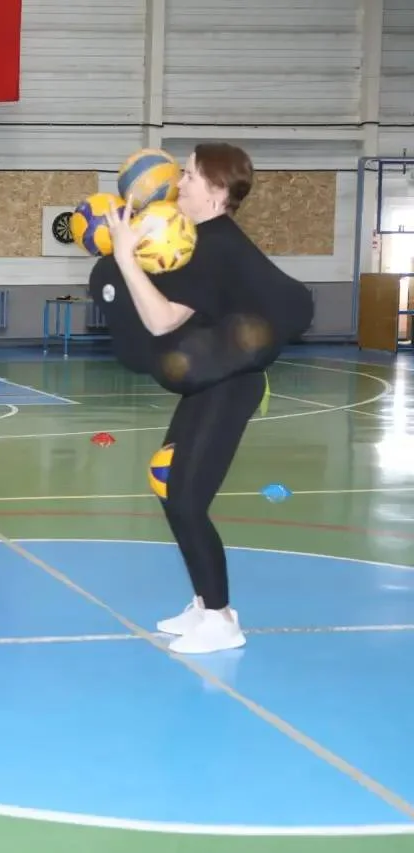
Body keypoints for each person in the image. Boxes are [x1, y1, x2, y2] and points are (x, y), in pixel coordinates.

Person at [90, 142, 313, 655]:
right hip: (212, 379)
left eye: (189, 174)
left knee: (188, 500)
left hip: (230, 385)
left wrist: (124, 257)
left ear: (215, 190)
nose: (178, 181)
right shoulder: (197, 238)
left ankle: (220, 619)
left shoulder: (215, 246)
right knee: (171, 487)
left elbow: (162, 320)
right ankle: (203, 602)